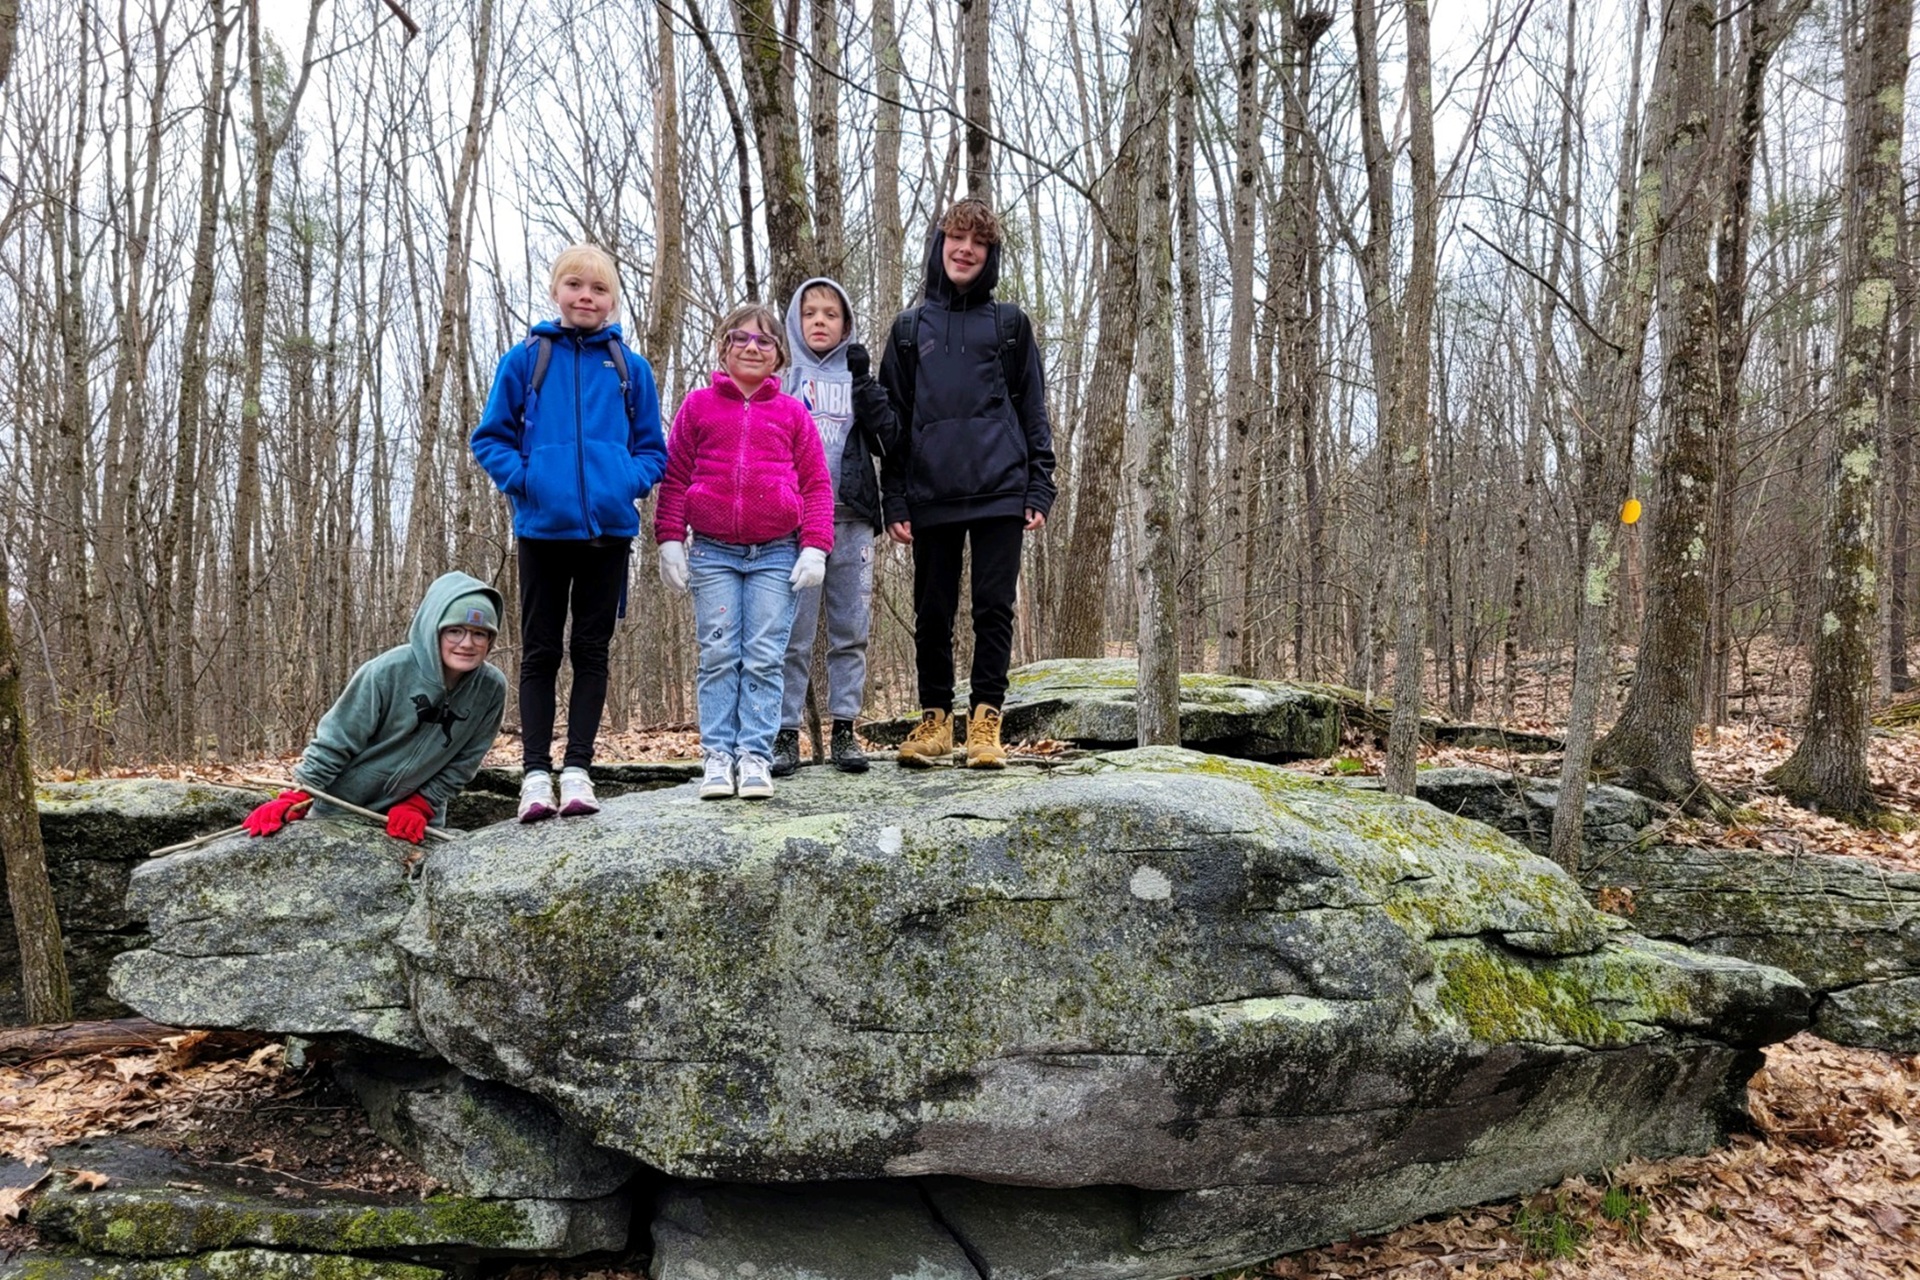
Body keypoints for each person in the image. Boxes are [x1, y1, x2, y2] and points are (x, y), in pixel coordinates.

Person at [470, 244, 667, 822]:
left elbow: (652, 449)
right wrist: (526, 480)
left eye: (599, 289)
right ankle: (535, 774)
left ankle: (578, 769)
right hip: (542, 530)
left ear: (612, 300)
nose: (587, 297)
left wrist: (624, 481)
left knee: (591, 651)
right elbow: (490, 439)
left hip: (608, 532)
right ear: (556, 292)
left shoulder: (631, 369)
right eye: (575, 286)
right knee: (540, 652)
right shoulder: (527, 359)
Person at [878, 198, 1055, 769]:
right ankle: (935, 720)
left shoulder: (1009, 326)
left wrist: (1039, 485)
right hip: (930, 493)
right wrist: (895, 497)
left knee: (993, 609)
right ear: (939, 245)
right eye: (956, 238)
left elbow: (1033, 408)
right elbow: (894, 425)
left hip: (1002, 488)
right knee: (932, 612)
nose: (965, 250)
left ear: (989, 254)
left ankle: (985, 721)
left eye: (977, 243)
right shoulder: (909, 330)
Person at [654, 303, 835, 801]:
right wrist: (670, 538)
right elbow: (674, 480)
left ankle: (755, 755)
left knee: (763, 655)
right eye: (741, 339)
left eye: (764, 341)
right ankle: (717, 756)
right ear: (723, 348)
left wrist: (815, 547)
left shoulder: (793, 413)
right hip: (712, 554)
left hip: (777, 554)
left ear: (779, 355)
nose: (752, 348)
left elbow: (818, 486)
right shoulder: (697, 407)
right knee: (717, 653)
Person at [241, 572, 508, 844]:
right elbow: (337, 739)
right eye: (455, 631)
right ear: (434, 630)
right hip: (340, 808)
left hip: (415, 817)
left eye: (479, 633)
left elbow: (466, 761)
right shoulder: (387, 671)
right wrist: (299, 794)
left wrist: (422, 804)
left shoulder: (491, 688)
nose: (467, 643)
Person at [770, 277, 902, 777]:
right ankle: (784, 734)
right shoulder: (781, 377)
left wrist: (866, 387)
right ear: (796, 322)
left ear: (846, 323)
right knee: (791, 635)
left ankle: (845, 727)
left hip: (852, 520)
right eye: (810, 313)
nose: (820, 321)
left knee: (851, 631)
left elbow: (890, 441)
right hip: (794, 525)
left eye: (830, 313)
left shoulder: (858, 376)